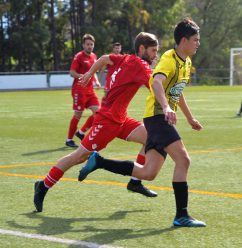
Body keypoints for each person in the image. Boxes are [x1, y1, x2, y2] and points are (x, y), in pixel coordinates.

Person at [77, 18, 206, 227]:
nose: (198, 43)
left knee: (148, 173)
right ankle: (181, 215)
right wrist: (165, 108)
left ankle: (99, 162)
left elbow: (177, 91)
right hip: (157, 118)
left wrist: (190, 118)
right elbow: (156, 82)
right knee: (183, 160)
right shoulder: (168, 59)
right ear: (183, 40)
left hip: (159, 118)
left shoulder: (186, 62)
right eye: (195, 39)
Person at [33, 32, 160, 213]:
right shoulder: (139, 64)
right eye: (153, 51)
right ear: (142, 49)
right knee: (78, 157)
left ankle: (135, 182)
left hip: (120, 119)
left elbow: (104, 58)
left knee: (150, 138)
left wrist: (90, 73)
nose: (155, 55)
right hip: (107, 121)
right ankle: (43, 186)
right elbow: (155, 85)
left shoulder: (125, 58)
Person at [67, 34, 101, 147]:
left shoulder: (94, 56)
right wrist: (82, 76)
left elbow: (93, 72)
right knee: (78, 115)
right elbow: (72, 72)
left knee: (99, 112)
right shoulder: (79, 56)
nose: (90, 46)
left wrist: (96, 81)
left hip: (90, 91)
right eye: (87, 44)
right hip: (79, 90)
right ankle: (69, 140)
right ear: (83, 45)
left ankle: (81, 132)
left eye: (91, 44)